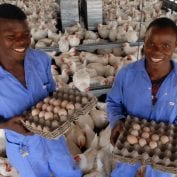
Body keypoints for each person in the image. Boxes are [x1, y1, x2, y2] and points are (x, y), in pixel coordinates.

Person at [0, 3, 82, 177]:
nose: (22, 41)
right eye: (11, 36)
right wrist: (6, 124)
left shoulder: (41, 60)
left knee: (70, 172)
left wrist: (66, 105)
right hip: (24, 147)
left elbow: (52, 95)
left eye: (26, 35)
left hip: (53, 138)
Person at [106, 17, 177, 177]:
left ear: (175, 46)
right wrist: (117, 120)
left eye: (165, 45)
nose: (157, 51)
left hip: (163, 153)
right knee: (123, 172)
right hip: (129, 148)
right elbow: (112, 102)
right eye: (151, 44)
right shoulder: (127, 74)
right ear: (144, 42)